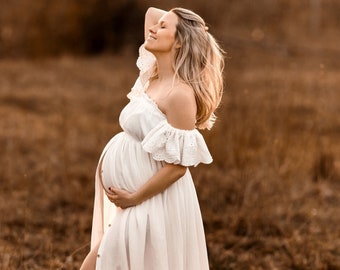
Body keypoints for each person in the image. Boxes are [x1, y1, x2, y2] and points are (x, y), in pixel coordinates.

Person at [80, 6, 224, 270]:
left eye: (163, 27)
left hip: (152, 200)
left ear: (179, 41)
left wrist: (135, 197)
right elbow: (150, 12)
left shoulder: (180, 95)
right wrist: (182, 23)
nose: (153, 28)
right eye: (158, 25)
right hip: (134, 202)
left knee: (102, 263)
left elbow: (178, 167)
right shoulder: (151, 76)